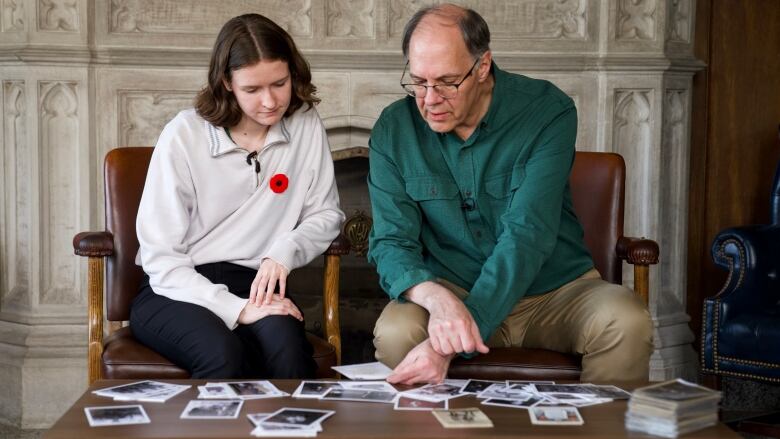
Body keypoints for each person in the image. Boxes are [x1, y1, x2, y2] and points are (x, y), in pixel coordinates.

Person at [368, 4, 653, 385]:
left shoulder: (547, 110)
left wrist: (446, 344)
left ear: (482, 66)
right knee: (396, 332)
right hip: (453, 289)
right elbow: (390, 241)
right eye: (419, 82)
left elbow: (528, 233)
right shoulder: (394, 128)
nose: (430, 100)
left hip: (554, 293)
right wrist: (438, 300)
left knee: (627, 321)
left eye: (447, 82)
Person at [130, 13, 344, 379]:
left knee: (289, 353)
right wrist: (237, 309)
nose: (270, 101)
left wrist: (283, 252)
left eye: (280, 83)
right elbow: (162, 259)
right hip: (176, 288)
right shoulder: (184, 134)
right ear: (226, 82)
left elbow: (326, 215)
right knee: (222, 354)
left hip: (259, 283)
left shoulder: (305, 122)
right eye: (252, 89)